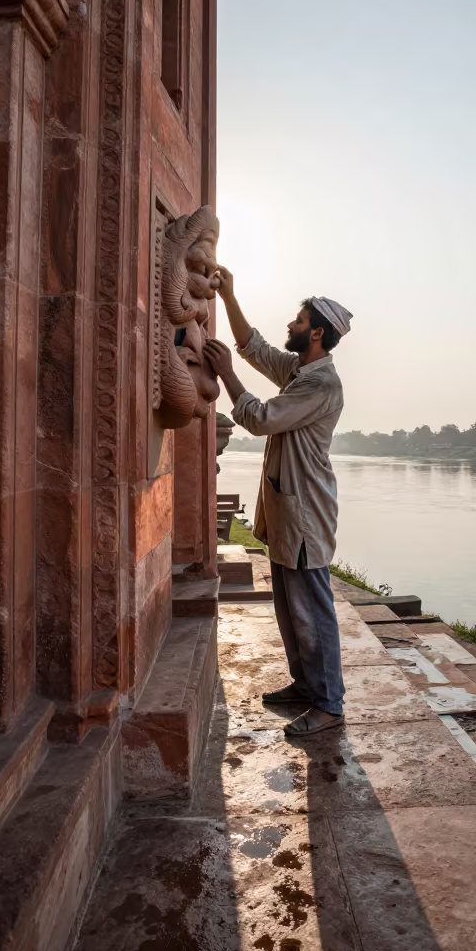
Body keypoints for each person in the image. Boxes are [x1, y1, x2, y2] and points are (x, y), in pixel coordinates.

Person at [203, 268, 352, 737]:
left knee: (313, 608)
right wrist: (229, 296)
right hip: (290, 510)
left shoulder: (320, 384)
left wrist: (225, 372)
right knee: (290, 607)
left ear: (317, 332)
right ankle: (306, 686)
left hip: (306, 511)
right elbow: (256, 348)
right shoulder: (299, 370)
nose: (290, 325)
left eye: (298, 319)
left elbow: (262, 419)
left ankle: (329, 704)